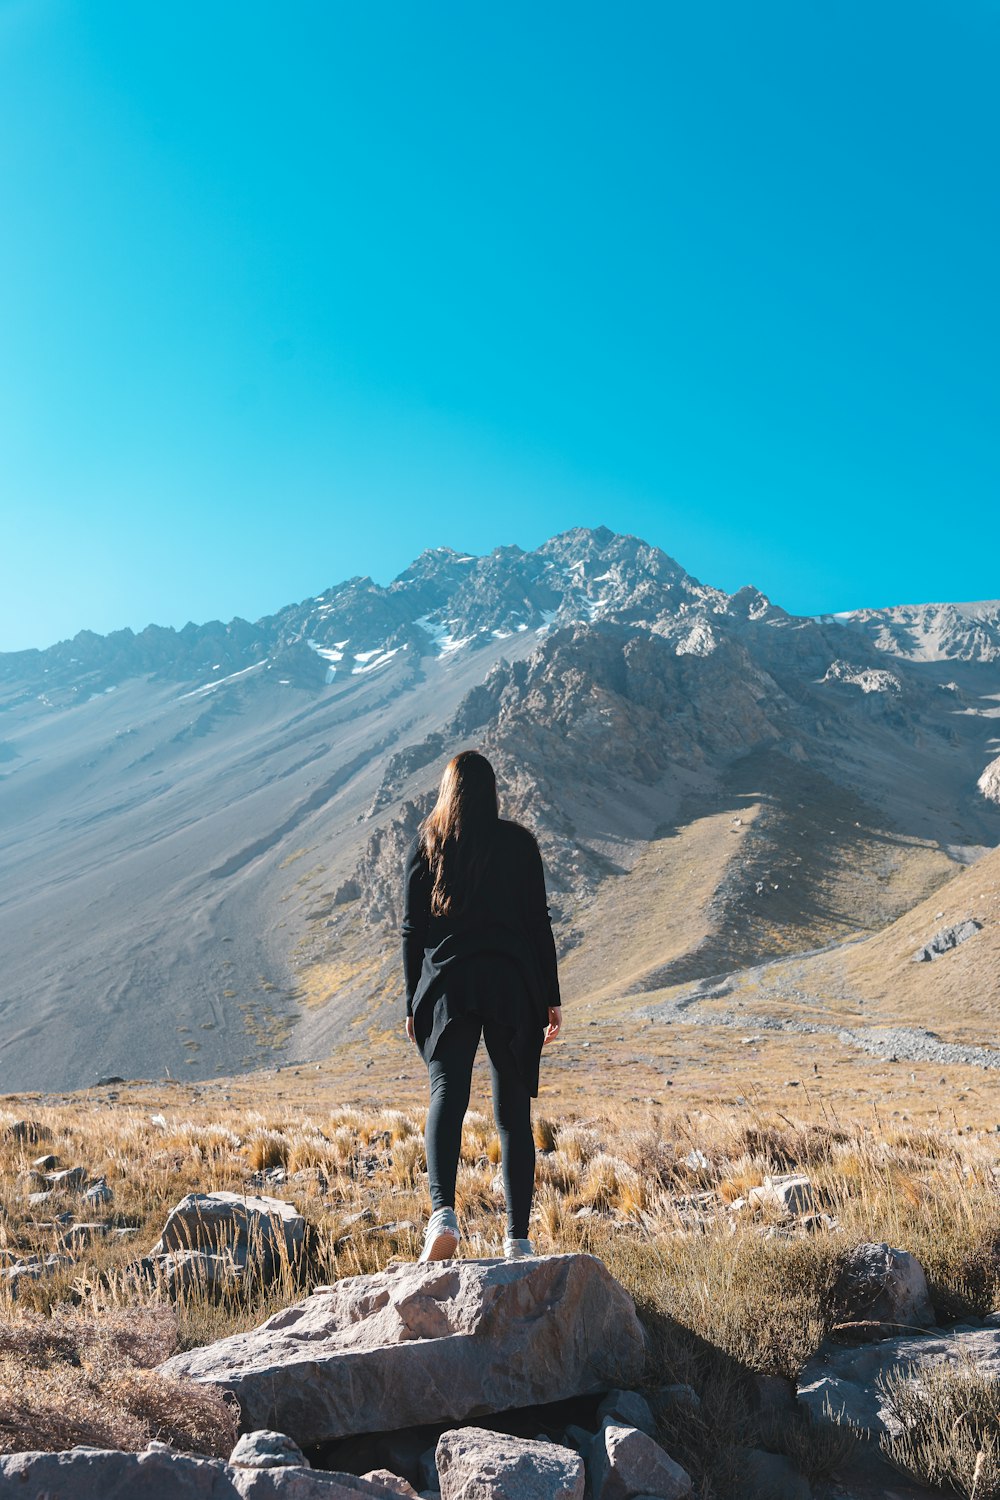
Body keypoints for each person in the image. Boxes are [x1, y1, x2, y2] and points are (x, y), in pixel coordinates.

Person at [401, 750, 562, 1262]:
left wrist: (412, 1001)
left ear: (447, 792)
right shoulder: (519, 844)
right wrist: (551, 997)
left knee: (447, 1095)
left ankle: (442, 1216)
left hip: (449, 985)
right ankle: (518, 1241)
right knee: (513, 1113)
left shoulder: (430, 845)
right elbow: (538, 923)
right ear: (493, 792)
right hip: (512, 986)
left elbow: (412, 931)